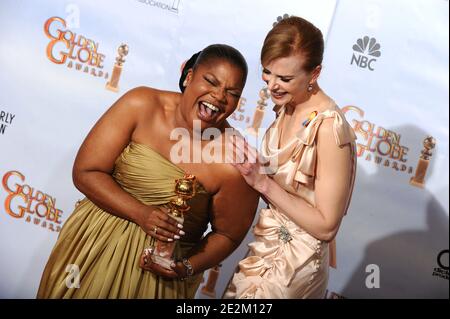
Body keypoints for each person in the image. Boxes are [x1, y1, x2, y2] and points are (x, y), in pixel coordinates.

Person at [37, 44, 259, 299]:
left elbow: (228, 235)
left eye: (232, 93)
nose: (219, 97)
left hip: (155, 278)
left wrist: (185, 268)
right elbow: (86, 171)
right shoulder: (141, 104)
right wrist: (142, 214)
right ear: (189, 77)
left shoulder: (234, 159)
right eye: (210, 81)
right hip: (92, 246)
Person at [225, 16, 357, 299]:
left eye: (285, 78)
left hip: (297, 266)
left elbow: (327, 225)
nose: (272, 86)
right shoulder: (287, 104)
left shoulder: (329, 127)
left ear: (314, 73)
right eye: (267, 73)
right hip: (265, 247)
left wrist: (263, 183)